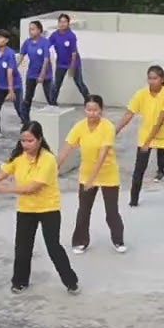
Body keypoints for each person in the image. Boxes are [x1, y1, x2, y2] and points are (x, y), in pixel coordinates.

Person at [0, 121, 81, 295]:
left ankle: (71, 282)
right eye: (23, 141)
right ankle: (19, 281)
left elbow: (33, 187)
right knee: (22, 247)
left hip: (48, 208)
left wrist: (7, 189)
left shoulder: (48, 160)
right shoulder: (19, 158)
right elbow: (2, 173)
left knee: (53, 247)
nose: (25, 145)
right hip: (26, 209)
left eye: (30, 141)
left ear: (39, 140)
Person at [115, 65, 164, 210]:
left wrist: (148, 142)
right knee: (139, 168)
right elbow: (129, 114)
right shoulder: (141, 94)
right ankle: (133, 200)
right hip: (145, 134)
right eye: (149, 78)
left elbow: (160, 121)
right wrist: (115, 131)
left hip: (163, 135)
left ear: (161, 79)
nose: (152, 81)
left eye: (155, 78)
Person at [57, 95, 125, 253]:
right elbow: (67, 148)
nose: (92, 113)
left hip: (107, 173)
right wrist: (55, 167)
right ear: (84, 110)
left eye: (95, 110)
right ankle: (80, 241)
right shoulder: (80, 126)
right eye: (88, 110)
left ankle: (118, 240)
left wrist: (92, 179)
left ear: (101, 110)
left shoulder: (108, 127)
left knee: (111, 211)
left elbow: (102, 156)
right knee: (84, 209)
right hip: (86, 172)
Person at [50, 13, 90, 103]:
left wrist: (72, 67)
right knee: (56, 84)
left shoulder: (71, 35)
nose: (62, 24)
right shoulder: (54, 35)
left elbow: (74, 52)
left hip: (74, 62)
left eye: (64, 22)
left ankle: (88, 100)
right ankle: (52, 102)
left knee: (79, 82)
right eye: (60, 22)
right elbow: (47, 45)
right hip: (61, 63)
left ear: (68, 23)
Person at [19, 19, 55, 112]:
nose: (31, 31)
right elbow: (21, 56)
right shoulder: (27, 42)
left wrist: (42, 74)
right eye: (30, 29)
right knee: (28, 98)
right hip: (32, 73)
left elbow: (46, 59)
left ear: (39, 30)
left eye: (33, 29)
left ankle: (56, 116)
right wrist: (13, 68)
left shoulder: (45, 42)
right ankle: (24, 118)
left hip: (46, 74)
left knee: (50, 97)